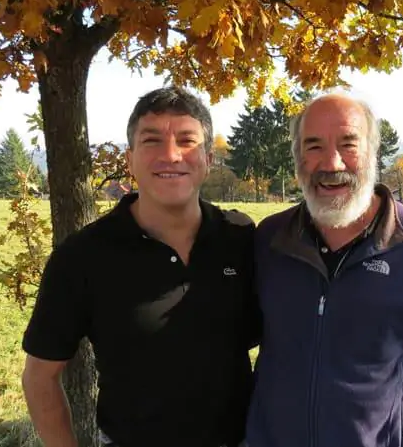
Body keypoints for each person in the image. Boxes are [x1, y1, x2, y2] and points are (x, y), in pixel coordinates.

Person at [21, 86, 261, 447]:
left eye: (186, 140)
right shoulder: (84, 255)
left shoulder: (240, 237)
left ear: (208, 160)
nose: (171, 155)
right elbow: (39, 377)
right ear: (130, 161)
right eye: (152, 141)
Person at [245, 92, 403, 447]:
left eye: (348, 144)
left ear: (373, 153)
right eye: (313, 146)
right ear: (297, 158)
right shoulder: (270, 240)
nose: (332, 163)